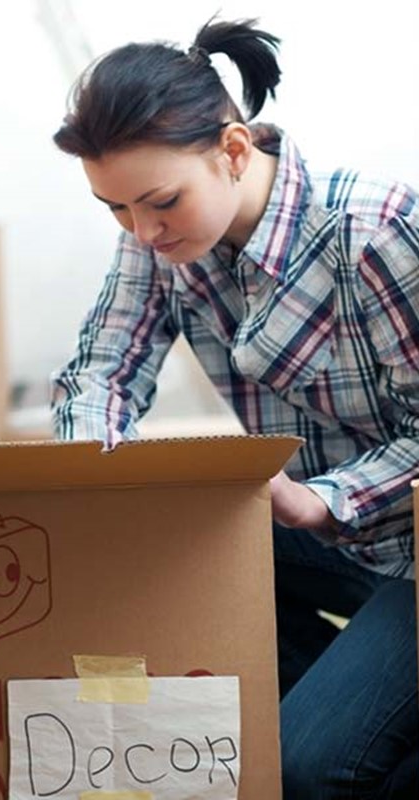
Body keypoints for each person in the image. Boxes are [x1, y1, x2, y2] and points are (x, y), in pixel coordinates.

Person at [50, 16, 418, 799]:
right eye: (114, 209)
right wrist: (94, 477)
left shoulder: (371, 231)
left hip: (412, 551)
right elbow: (100, 374)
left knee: (304, 766)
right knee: (162, 545)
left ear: (235, 150)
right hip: (320, 539)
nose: (141, 232)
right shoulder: (159, 241)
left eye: (159, 203)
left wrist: (324, 500)